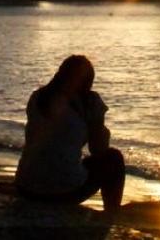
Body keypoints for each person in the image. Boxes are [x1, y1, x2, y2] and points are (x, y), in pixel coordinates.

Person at [14, 55, 125, 210]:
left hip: (24, 186)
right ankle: (112, 212)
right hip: (61, 193)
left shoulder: (38, 97)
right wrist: (98, 121)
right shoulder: (89, 103)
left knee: (71, 160)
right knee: (114, 158)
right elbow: (98, 149)